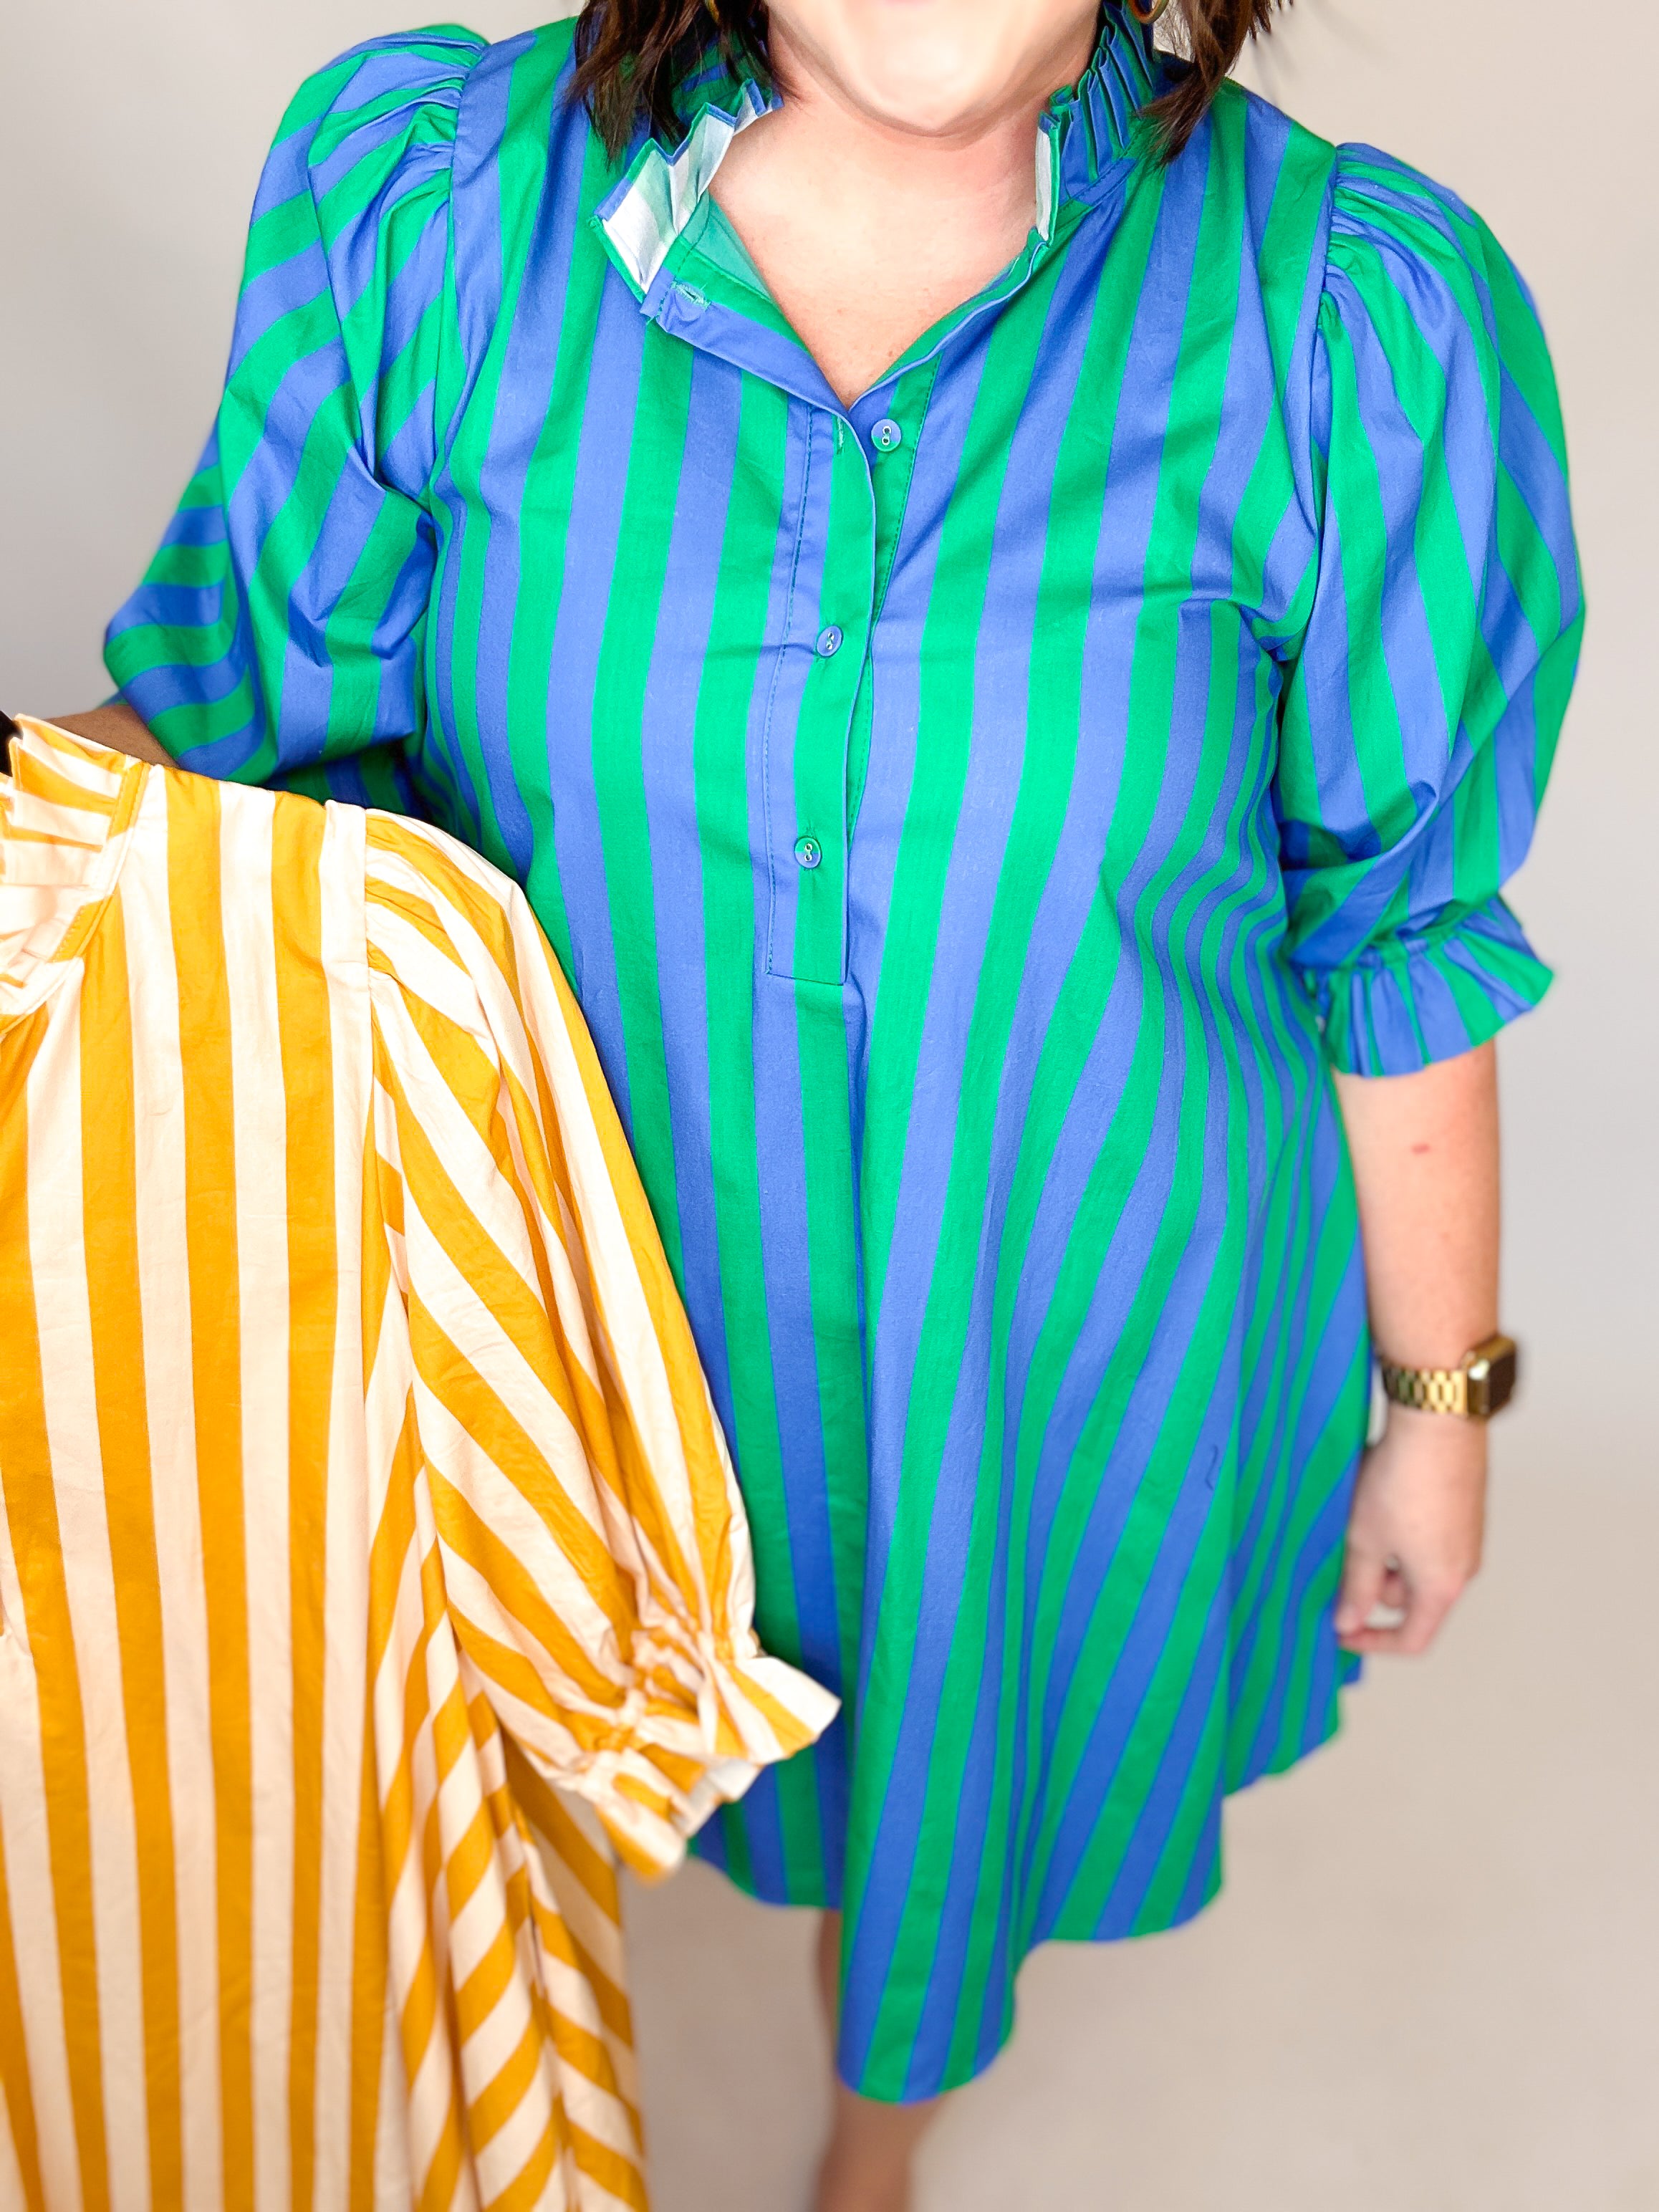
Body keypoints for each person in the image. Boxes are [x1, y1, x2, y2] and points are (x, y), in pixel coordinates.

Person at [61, 1, 1581, 2205]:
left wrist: (1437, 1406)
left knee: (943, 1827)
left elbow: (1400, 921)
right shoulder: (435, 203)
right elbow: (233, 731)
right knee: (422, 1806)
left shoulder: (1352, 315)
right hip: (556, 1311)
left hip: (1069, 1348)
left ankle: (872, 2158)